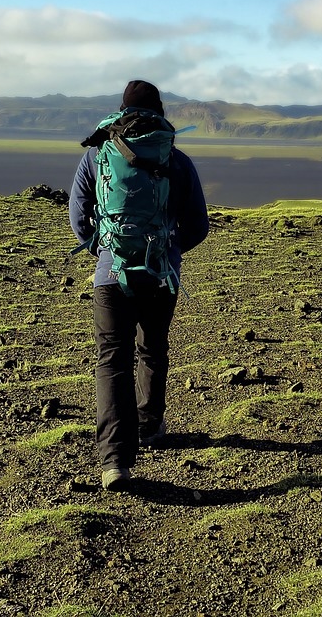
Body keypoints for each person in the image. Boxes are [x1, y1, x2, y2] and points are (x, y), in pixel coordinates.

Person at [69, 80, 209, 491]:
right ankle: (150, 425)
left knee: (112, 360)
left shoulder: (98, 156)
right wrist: (168, 249)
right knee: (152, 347)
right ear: (161, 111)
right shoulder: (177, 160)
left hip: (110, 276)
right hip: (161, 274)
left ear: (120, 110)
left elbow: (79, 219)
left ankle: (115, 461)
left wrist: (108, 250)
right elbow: (199, 225)